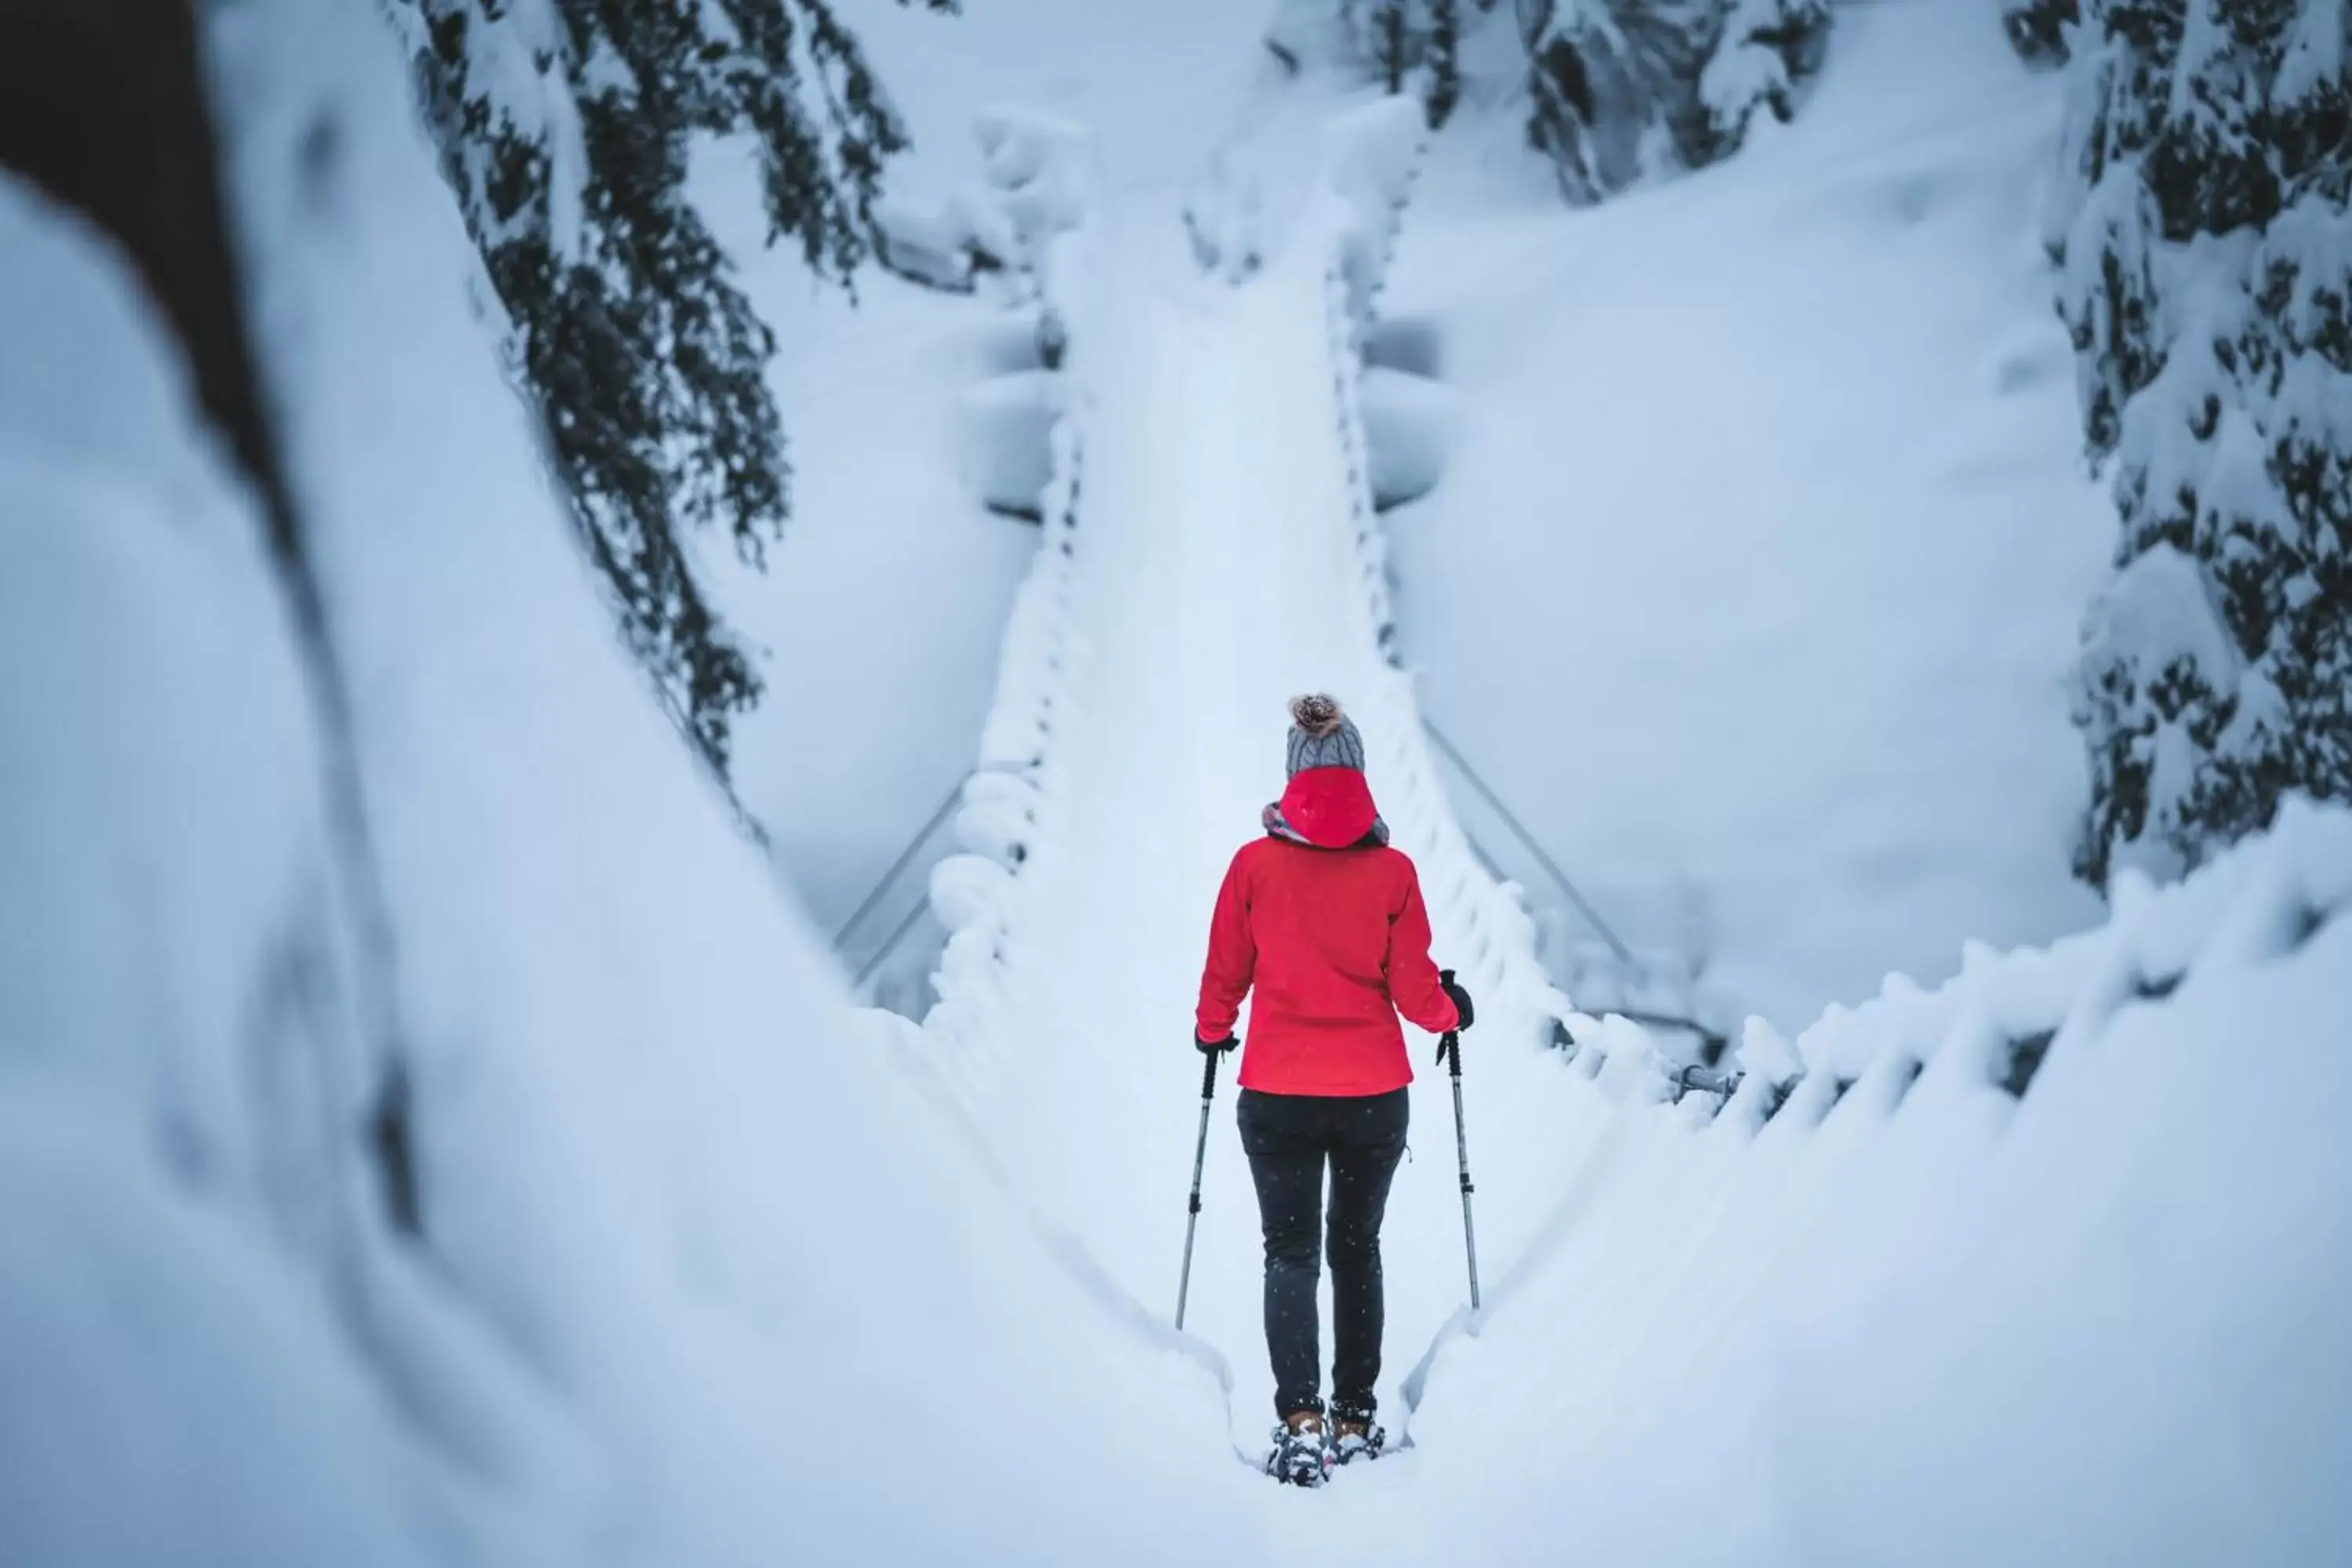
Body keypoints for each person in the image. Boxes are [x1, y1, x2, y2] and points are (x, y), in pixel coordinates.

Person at [1194, 694, 1475, 1487]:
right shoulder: (1394, 871)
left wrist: (1213, 1029)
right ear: (1360, 775)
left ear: (1293, 777)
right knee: (1356, 1248)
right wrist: (1453, 1009)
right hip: (1372, 1097)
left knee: (1290, 1251)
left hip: (1276, 1095)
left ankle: (1300, 1421)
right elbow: (1418, 990)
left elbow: (1225, 972)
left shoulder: (1253, 864)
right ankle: (1356, 1415)